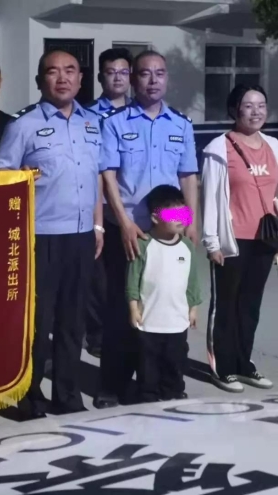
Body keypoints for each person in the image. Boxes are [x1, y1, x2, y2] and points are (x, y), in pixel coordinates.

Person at [0, 49, 104, 418]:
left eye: (70, 71)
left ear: (80, 79)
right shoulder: (23, 125)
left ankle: (67, 396)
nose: (63, 78)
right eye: (53, 72)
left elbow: (95, 179)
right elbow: (3, 183)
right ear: (40, 80)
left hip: (82, 236)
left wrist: (98, 225)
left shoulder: (92, 123)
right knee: (37, 324)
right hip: (40, 238)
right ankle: (29, 397)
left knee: (73, 322)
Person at [96, 50, 199, 410]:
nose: (153, 81)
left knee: (164, 307)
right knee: (122, 309)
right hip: (130, 231)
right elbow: (108, 176)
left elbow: (188, 176)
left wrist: (190, 224)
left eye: (160, 73)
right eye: (144, 74)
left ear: (166, 78)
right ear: (133, 79)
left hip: (168, 235)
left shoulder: (181, 125)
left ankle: (158, 383)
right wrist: (123, 222)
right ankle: (113, 386)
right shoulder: (115, 122)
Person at [202, 83, 278, 393]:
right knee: (226, 305)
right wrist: (211, 242)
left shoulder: (274, 146)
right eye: (248, 105)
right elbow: (209, 197)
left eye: (261, 105)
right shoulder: (219, 148)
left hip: (265, 240)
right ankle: (223, 367)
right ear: (234, 110)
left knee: (250, 306)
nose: (256, 111)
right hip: (231, 241)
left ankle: (244, 364)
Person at [127, 185, 201, 403]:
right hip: (149, 321)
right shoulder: (144, 244)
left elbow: (192, 280)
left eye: (183, 213)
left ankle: (173, 392)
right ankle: (148, 395)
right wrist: (133, 307)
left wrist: (193, 307)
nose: (180, 219)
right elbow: (133, 279)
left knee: (175, 361)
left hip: (177, 322)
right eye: (173, 214)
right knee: (147, 364)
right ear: (155, 218)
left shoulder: (187, 246)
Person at [83, 47, 134, 359]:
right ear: (101, 77)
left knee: (132, 275)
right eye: (111, 72)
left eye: (124, 72)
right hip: (100, 207)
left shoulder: (141, 113)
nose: (118, 78)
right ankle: (98, 336)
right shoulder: (87, 114)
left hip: (134, 211)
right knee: (100, 278)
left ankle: (130, 330)